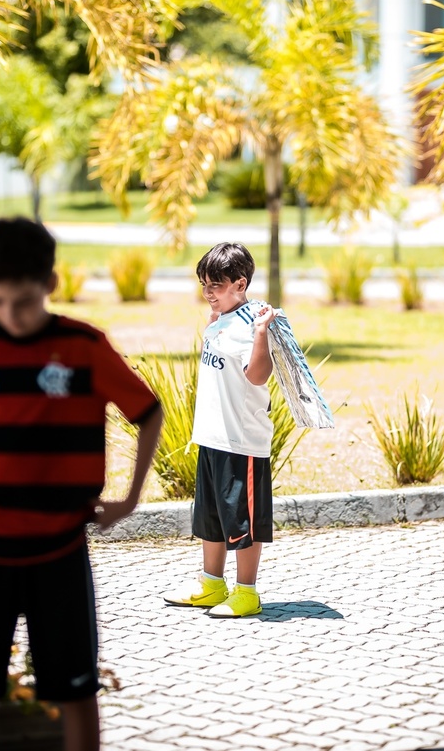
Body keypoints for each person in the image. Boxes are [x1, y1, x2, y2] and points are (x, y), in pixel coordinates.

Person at [0, 217, 164, 751]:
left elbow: (148, 411)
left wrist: (130, 499)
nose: (8, 315)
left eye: (20, 301)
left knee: (76, 692)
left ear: (49, 284)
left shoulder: (85, 346)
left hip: (60, 551)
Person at [161, 242, 277, 618]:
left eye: (216, 285)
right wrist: (213, 326)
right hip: (212, 437)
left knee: (241, 521)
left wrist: (261, 332)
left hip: (241, 442)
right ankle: (212, 584)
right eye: (204, 285)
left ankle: (247, 592)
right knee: (210, 518)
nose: (208, 293)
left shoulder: (250, 325)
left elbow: (258, 375)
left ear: (240, 283)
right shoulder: (220, 322)